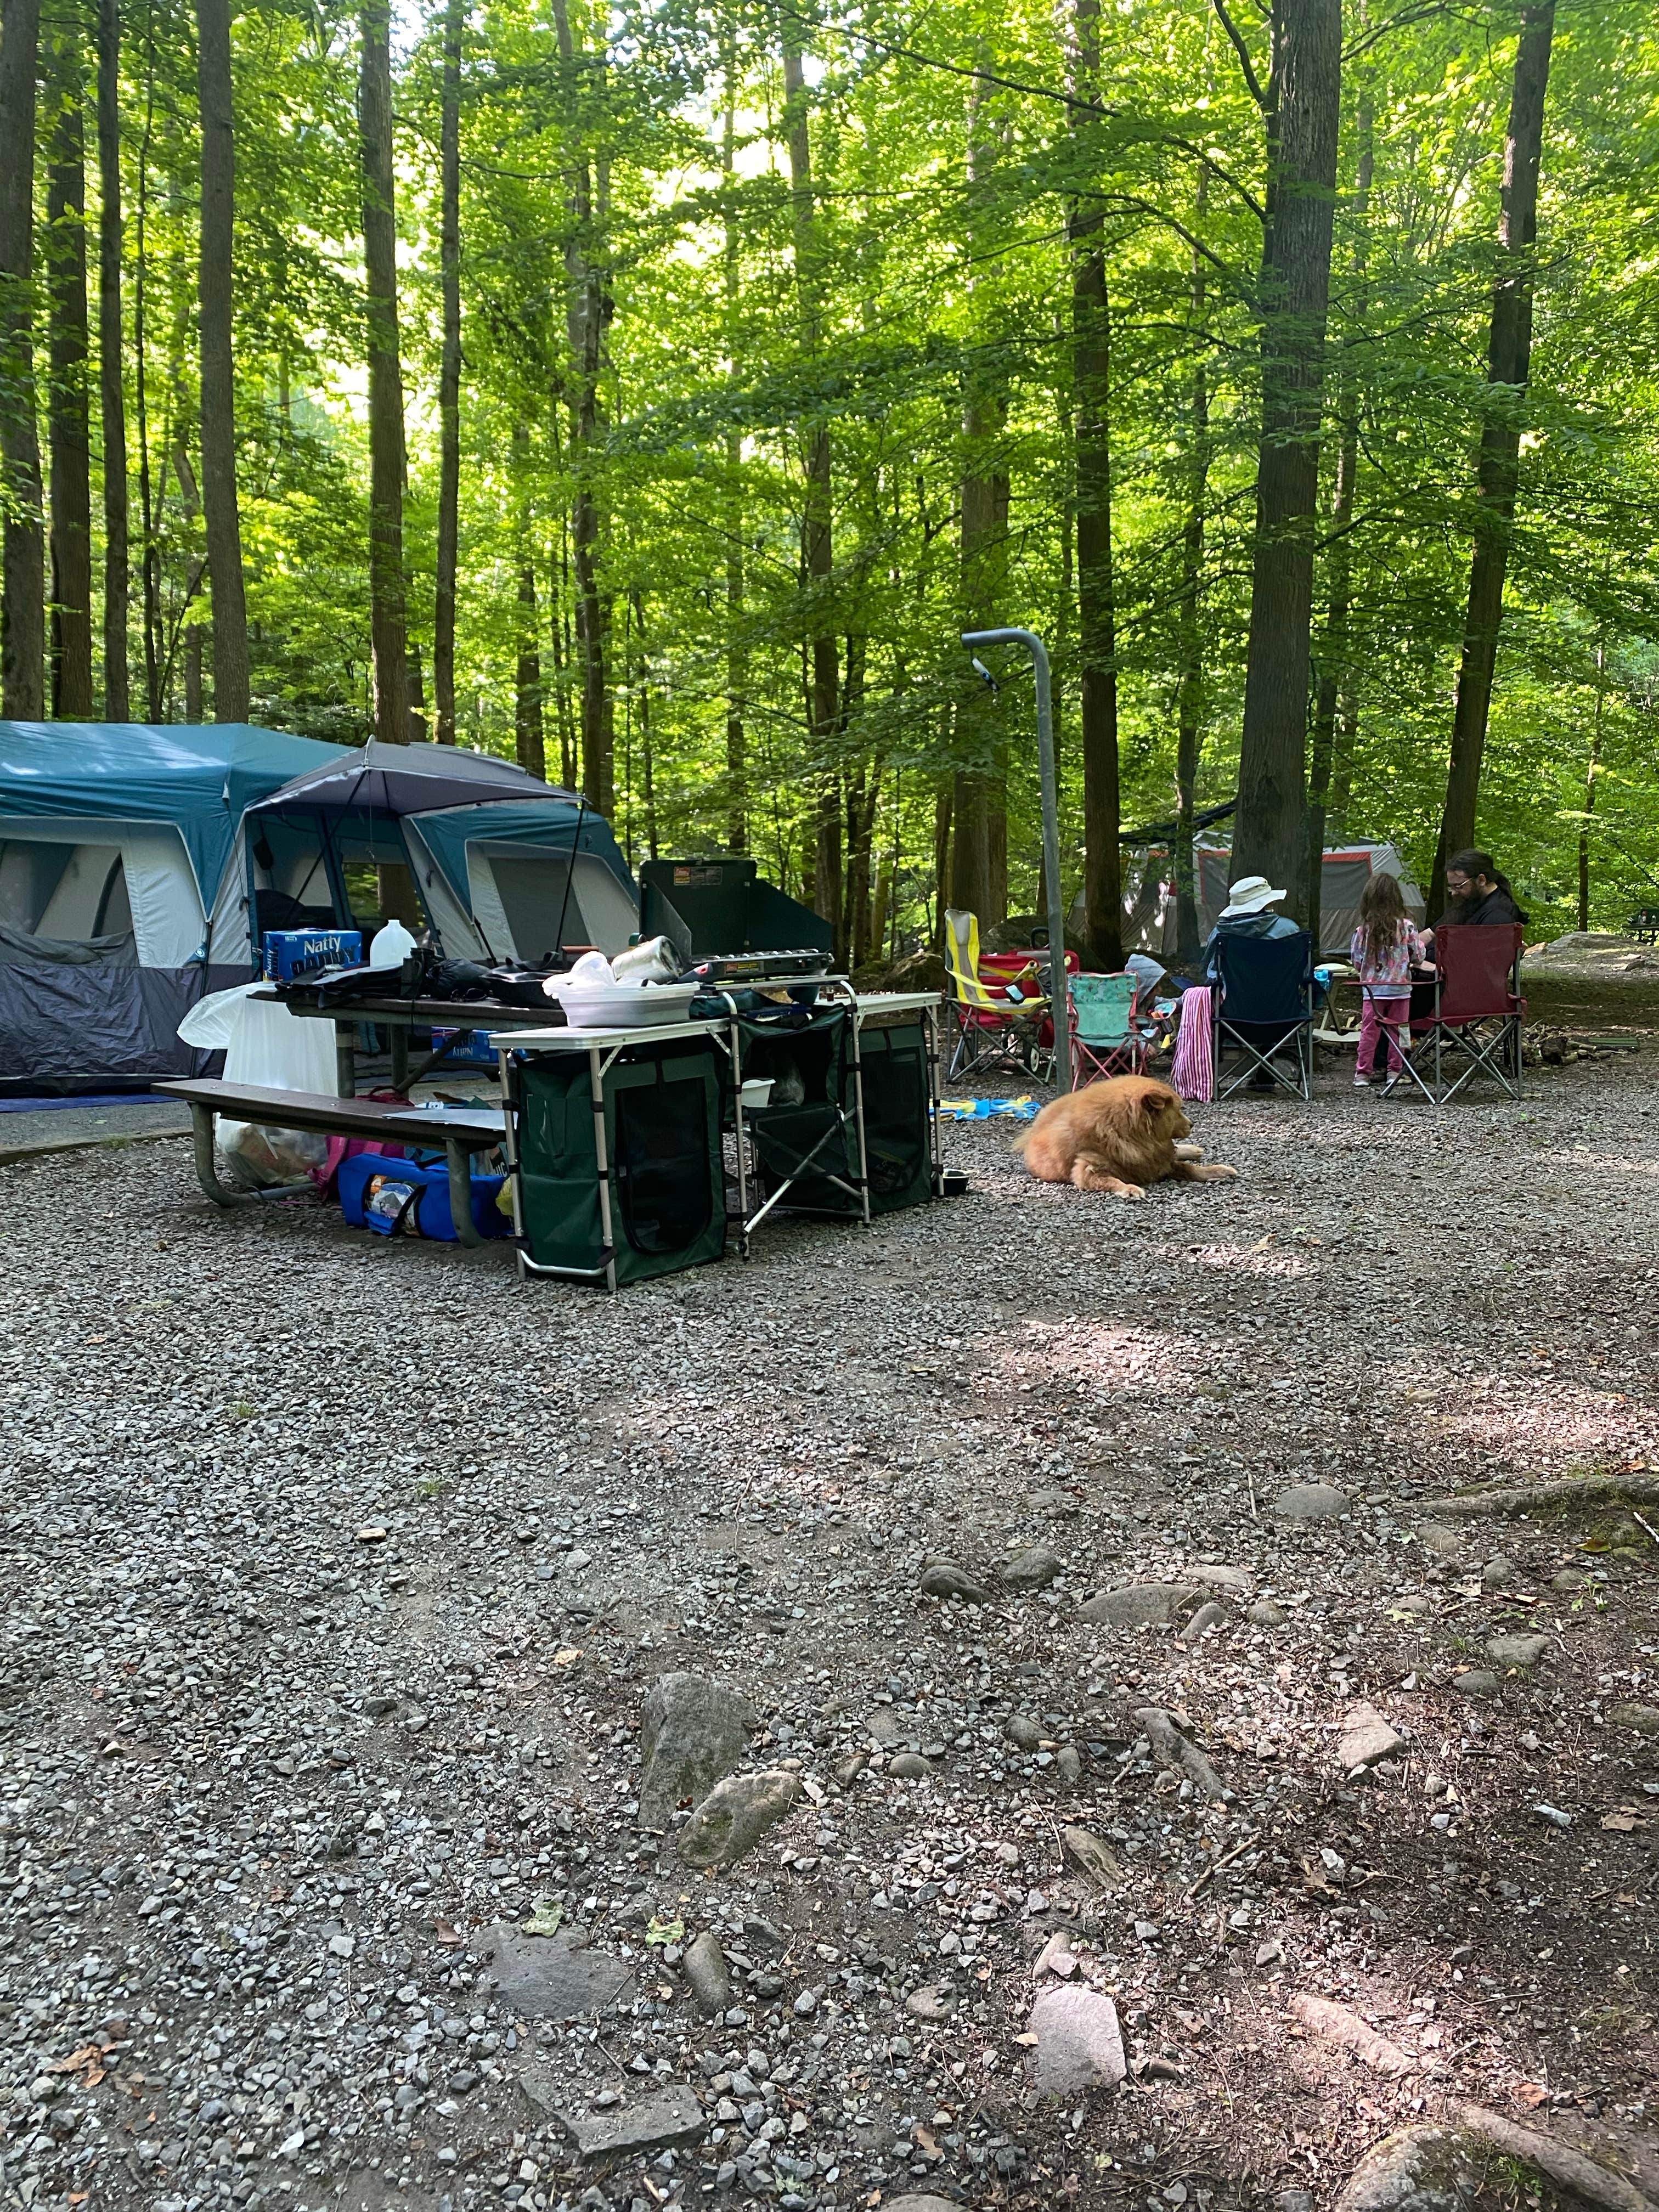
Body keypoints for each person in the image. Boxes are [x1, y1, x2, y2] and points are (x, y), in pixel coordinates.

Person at [1204, 875, 1303, 1090]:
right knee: (1272, 996)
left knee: (1214, 999)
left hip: (1232, 1018)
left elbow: (1211, 975)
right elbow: (1302, 975)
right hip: (1285, 1017)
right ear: (1268, 902)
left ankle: (1211, 1078)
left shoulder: (1221, 934)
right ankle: (1266, 1074)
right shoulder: (1290, 931)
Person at [1349, 871, 1428, 1089]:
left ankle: (1363, 1072)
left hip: (1373, 991)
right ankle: (1395, 1071)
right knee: (1400, 1030)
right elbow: (1419, 955)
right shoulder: (1407, 927)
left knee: (1369, 1031)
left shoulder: (1363, 931)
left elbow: (1357, 960)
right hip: (1401, 989)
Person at [1432, 850, 1528, 934]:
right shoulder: (1472, 902)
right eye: (1451, 887)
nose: (1454, 893)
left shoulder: (1497, 916)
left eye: (1459, 886)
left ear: (1481, 880)